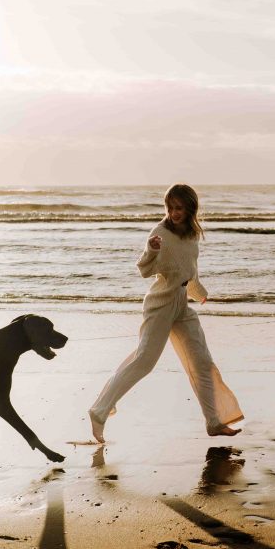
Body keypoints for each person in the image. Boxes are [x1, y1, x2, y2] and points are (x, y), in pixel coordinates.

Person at [88, 184, 244, 443]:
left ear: (190, 208)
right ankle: (99, 411)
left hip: (182, 305)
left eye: (179, 208)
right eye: (170, 207)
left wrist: (198, 292)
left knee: (202, 362)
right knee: (144, 361)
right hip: (160, 306)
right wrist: (152, 249)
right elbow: (144, 270)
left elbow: (190, 269)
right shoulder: (160, 233)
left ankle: (214, 422)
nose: (173, 213)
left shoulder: (192, 234)